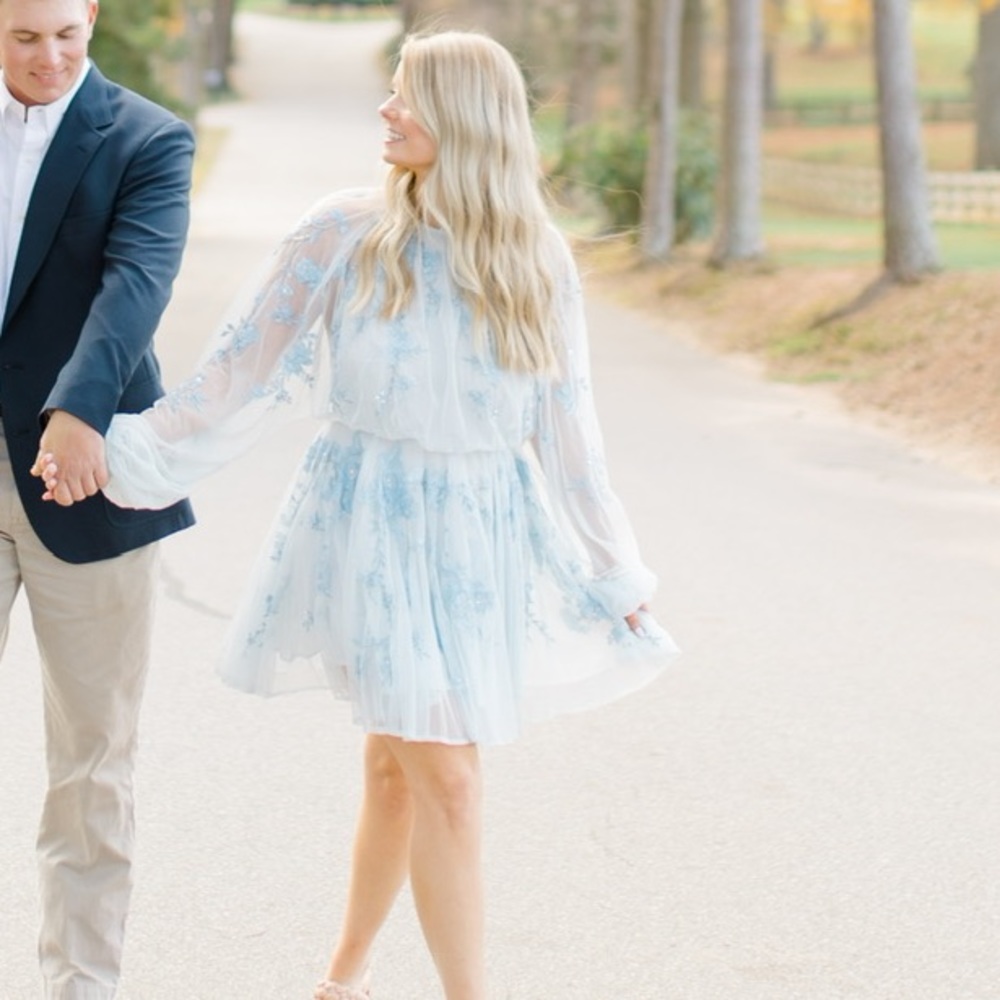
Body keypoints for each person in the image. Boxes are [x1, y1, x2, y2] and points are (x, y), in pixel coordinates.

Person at [35, 28, 678, 1000]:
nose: (383, 110)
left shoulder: (532, 258)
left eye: (405, 95)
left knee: (395, 766)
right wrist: (115, 448)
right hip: (369, 527)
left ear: (462, 118)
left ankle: (340, 980)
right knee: (449, 779)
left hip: (476, 538)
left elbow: (568, 431)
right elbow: (232, 377)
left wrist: (614, 568)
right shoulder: (340, 232)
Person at [0, 0, 195, 995]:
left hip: (84, 474)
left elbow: (137, 282)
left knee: (92, 759)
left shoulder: (148, 139)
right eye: (24, 36)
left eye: (65, 35)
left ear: (93, 24)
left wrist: (76, 411)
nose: (48, 56)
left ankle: (80, 984)